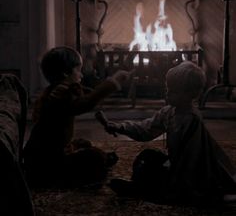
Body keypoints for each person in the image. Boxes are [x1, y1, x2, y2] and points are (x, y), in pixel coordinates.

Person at [96, 61, 236, 205]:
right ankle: (139, 185)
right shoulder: (168, 112)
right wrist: (120, 127)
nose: (167, 94)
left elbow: (192, 158)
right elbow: (146, 129)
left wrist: (177, 184)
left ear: (191, 94)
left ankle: (153, 190)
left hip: (192, 173)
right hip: (174, 164)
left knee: (182, 186)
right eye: (167, 89)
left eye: (174, 91)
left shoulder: (191, 120)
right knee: (147, 156)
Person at [23, 46, 131, 188]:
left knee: (83, 143)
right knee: (95, 157)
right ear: (65, 73)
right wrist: (113, 83)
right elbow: (84, 104)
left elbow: (87, 94)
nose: (81, 75)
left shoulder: (56, 89)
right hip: (47, 162)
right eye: (78, 70)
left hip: (40, 155)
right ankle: (79, 173)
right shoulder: (61, 94)